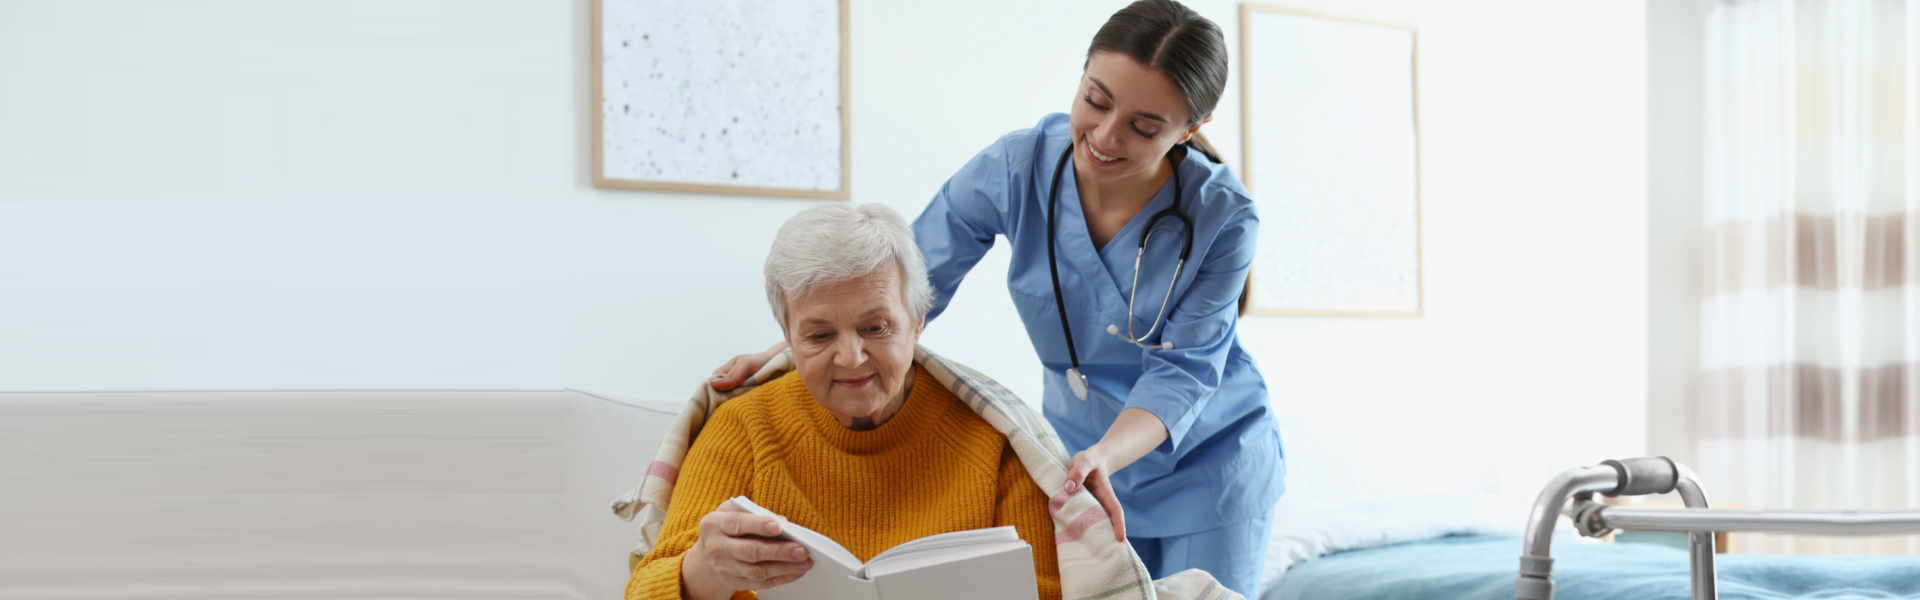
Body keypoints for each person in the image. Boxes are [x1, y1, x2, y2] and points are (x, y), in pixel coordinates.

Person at [712, 1, 1281, 596]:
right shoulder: (1020, 165)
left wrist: (1106, 454)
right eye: (1095, 99)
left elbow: (1185, 371)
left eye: (1143, 127)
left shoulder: (1224, 216)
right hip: (1078, 455)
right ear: (1082, 76)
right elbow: (903, 288)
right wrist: (792, 350)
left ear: (1190, 128)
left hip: (1210, 464)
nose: (1105, 137)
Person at [631, 204, 1061, 600]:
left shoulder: (996, 438)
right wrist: (703, 571)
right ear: (788, 338)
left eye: (875, 327)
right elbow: (644, 588)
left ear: (917, 323)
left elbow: (1050, 589)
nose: (851, 358)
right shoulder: (743, 426)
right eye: (819, 336)